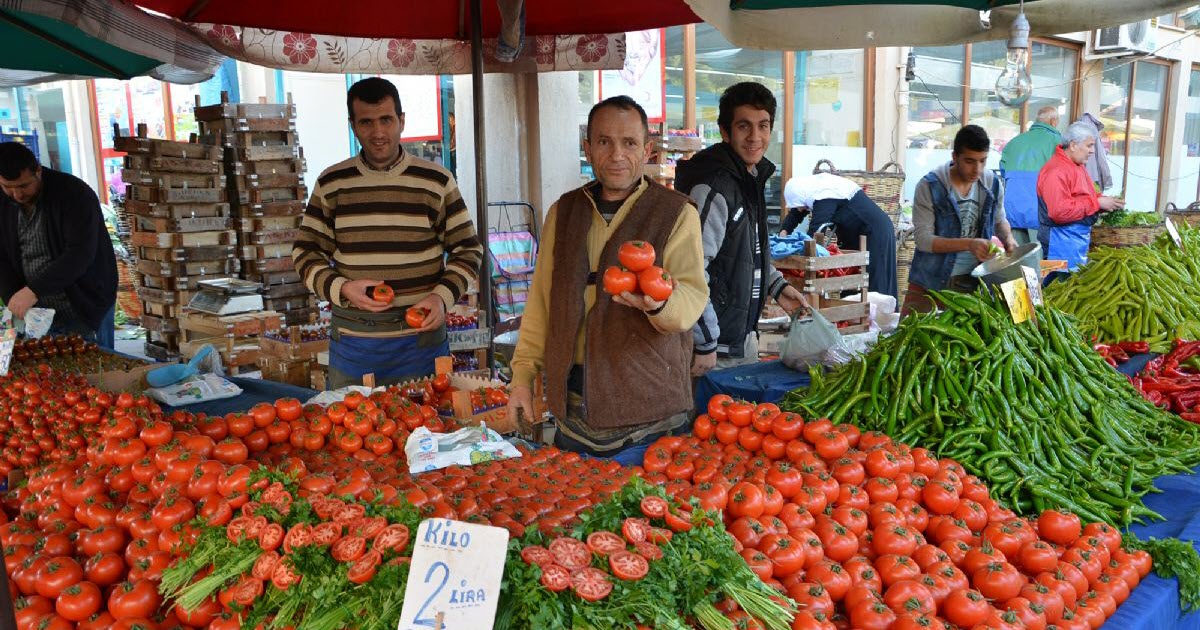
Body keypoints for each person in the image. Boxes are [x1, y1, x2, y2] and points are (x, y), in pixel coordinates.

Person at [506, 96, 708, 458]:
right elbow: (540, 304)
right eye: (604, 142)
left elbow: (692, 298)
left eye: (629, 143)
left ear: (647, 149)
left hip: (650, 419)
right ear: (588, 148)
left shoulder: (676, 213)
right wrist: (522, 377)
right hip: (573, 412)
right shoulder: (563, 212)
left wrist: (659, 303)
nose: (616, 154)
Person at [293, 77, 483, 389]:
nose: (378, 133)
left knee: (430, 430)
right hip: (355, 342)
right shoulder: (332, 184)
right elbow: (305, 253)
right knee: (351, 432)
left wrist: (441, 297)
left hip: (421, 342)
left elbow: (468, 249)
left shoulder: (435, 181)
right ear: (353, 125)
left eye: (386, 120)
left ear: (402, 121)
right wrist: (341, 288)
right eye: (366, 122)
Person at [673, 82, 807, 377]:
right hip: (713, 351)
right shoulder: (714, 187)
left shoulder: (747, 178)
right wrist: (705, 340)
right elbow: (689, 270)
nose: (755, 137)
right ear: (725, 131)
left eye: (763, 126)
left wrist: (778, 287)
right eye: (744, 126)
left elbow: (747, 251)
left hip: (738, 340)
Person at [0, 142, 116, 347]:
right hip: (34, 311)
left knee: (94, 370)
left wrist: (32, 290)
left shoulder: (74, 194)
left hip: (82, 302)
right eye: (8, 187)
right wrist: (11, 295)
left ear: (38, 170)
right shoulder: (3, 200)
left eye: (23, 186)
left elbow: (80, 253)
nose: (17, 195)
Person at [903, 125, 1019, 315]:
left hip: (972, 281)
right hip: (930, 281)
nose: (977, 169)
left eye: (983, 161)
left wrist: (1008, 239)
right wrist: (969, 244)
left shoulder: (992, 183)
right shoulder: (930, 186)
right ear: (954, 157)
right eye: (969, 161)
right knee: (910, 338)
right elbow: (923, 240)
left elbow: (999, 220)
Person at [781, 172, 898, 299]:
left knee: (875, 276)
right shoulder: (811, 192)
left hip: (874, 231)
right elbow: (797, 212)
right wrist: (784, 231)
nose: (802, 209)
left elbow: (817, 229)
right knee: (852, 278)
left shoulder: (826, 193)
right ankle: (851, 314)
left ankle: (878, 315)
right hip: (856, 234)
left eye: (800, 206)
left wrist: (801, 253)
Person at [1037, 121, 1125, 270]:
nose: (1092, 151)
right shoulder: (1056, 171)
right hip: (1059, 241)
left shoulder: (1076, 165)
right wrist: (1097, 203)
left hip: (1073, 239)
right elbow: (1059, 211)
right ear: (1073, 145)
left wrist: (1103, 201)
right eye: (1089, 145)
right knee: (1057, 287)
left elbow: (1082, 195)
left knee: (1072, 285)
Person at [1000, 106, 1062, 248]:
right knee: (1040, 261)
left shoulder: (1014, 142)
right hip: (1041, 213)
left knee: (1017, 258)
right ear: (1053, 121)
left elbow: (1003, 171)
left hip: (1012, 210)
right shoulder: (1058, 142)